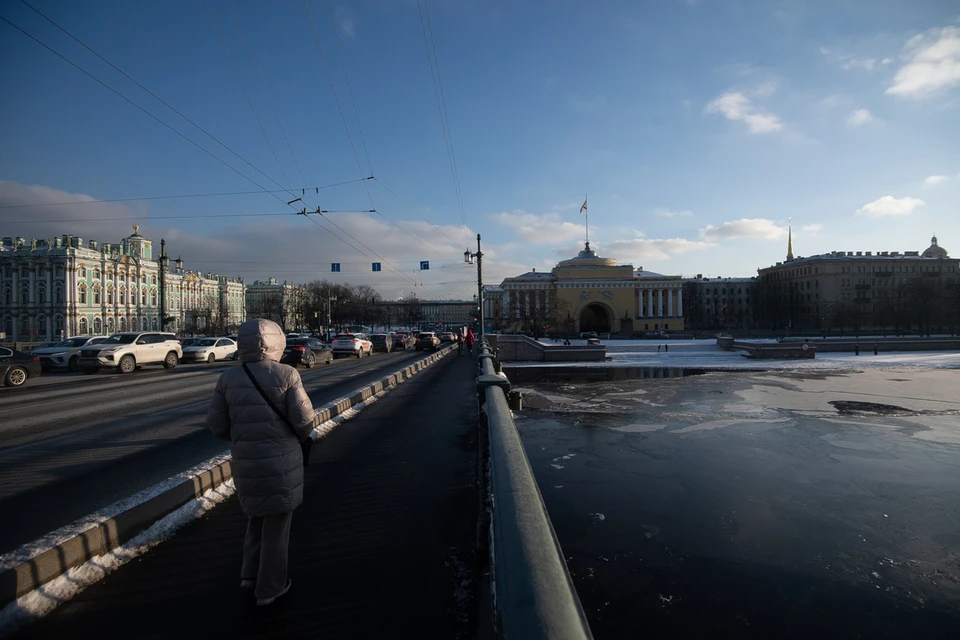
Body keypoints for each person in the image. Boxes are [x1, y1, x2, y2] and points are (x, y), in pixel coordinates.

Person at [207, 318, 316, 607]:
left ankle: (249, 575)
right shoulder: (287, 374)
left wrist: (244, 436)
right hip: (280, 464)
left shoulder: (228, 378)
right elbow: (304, 421)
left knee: (255, 517)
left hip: (246, 462)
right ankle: (270, 588)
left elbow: (217, 426)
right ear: (277, 342)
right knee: (277, 527)